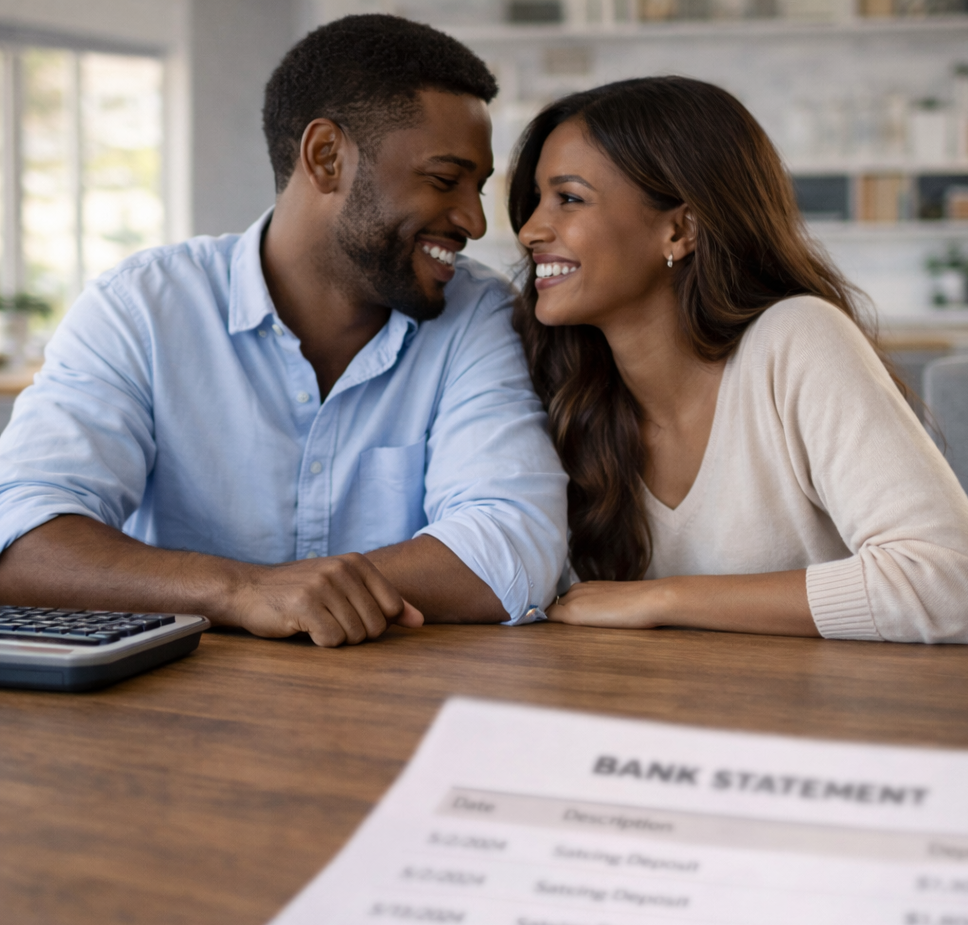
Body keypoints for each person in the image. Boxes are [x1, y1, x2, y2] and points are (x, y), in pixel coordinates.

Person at [0, 15, 568, 647]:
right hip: (171, 715)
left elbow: (514, 546)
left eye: (479, 187)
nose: (475, 221)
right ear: (327, 157)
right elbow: (22, 541)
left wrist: (296, 594)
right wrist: (240, 591)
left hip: (396, 707)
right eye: (443, 180)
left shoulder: (478, 312)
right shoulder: (141, 307)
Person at [510, 76, 968, 643]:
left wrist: (659, 597)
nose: (531, 229)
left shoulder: (795, 339)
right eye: (536, 199)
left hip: (953, 709)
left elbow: (949, 589)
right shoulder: (566, 387)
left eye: (570, 198)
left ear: (680, 229)